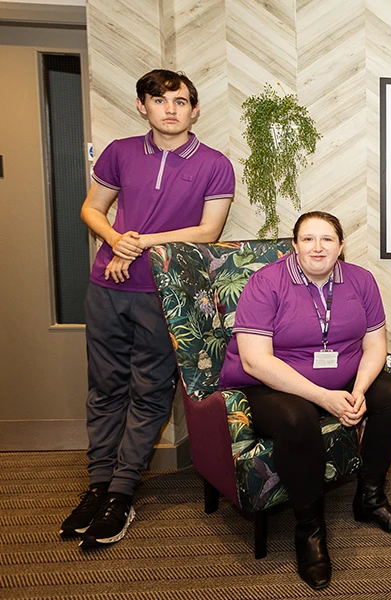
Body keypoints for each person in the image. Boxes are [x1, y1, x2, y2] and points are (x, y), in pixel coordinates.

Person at [65, 69, 234, 548]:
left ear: (194, 109)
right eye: (160, 101)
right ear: (143, 106)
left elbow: (208, 231)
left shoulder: (214, 163)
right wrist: (116, 240)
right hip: (107, 286)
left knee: (150, 391)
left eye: (180, 101)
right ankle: (98, 484)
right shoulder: (120, 152)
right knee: (104, 388)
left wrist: (137, 245)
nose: (171, 109)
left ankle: (122, 492)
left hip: (167, 294)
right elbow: (91, 209)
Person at [218, 211, 391, 590]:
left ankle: (370, 499)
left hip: (342, 378)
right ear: (294, 246)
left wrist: (358, 390)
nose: (317, 247)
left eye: (327, 239)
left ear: (341, 246)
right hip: (271, 384)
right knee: (297, 419)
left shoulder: (361, 281)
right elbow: (254, 359)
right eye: (308, 239)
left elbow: (375, 344)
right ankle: (310, 531)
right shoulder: (266, 283)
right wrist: (323, 397)